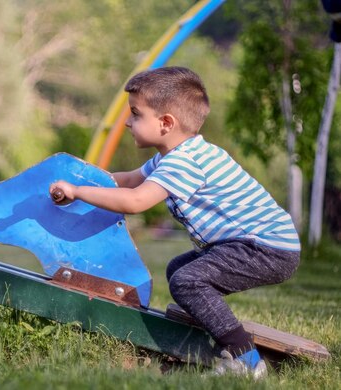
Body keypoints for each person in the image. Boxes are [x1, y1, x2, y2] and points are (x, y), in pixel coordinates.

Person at [49, 66, 300, 379]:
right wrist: (87, 181)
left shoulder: (185, 161)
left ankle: (244, 360)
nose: (127, 121)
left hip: (267, 247)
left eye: (135, 114)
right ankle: (208, 337)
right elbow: (127, 181)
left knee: (188, 281)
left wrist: (78, 192)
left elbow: (136, 201)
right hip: (253, 243)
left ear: (166, 123)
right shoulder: (172, 155)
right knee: (179, 272)